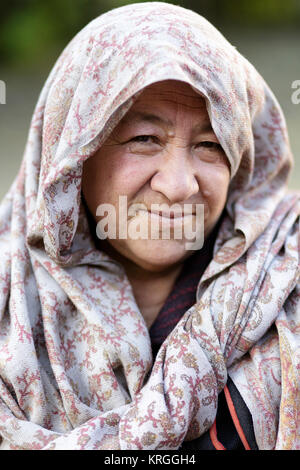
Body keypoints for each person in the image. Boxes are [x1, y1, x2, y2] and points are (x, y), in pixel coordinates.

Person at [0, 2, 298, 450]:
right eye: (144, 139)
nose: (178, 186)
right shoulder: (12, 306)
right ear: (74, 156)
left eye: (209, 144)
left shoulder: (285, 275)